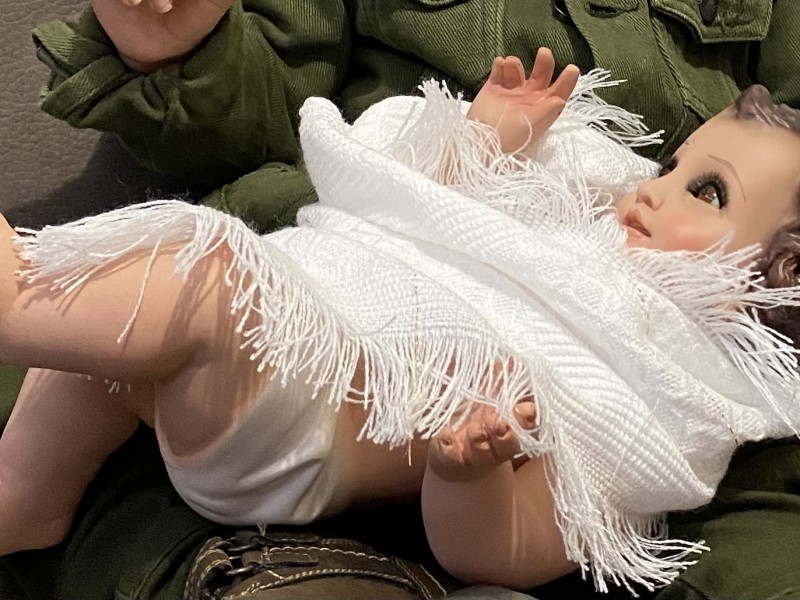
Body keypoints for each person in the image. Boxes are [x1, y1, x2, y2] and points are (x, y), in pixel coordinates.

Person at [4, 1, 800, 599]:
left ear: (781, 277)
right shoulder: (574, 225)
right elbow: (419, 222)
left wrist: (470, 477)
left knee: (201, 270)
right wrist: (481, 146)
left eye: (707, 191)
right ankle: (25, 497)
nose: (652, 187)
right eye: (673, 166)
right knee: (118, 336)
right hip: (287, 307)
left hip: (298, 426)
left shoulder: (673, 394)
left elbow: (511, 549)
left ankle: (15, 298)